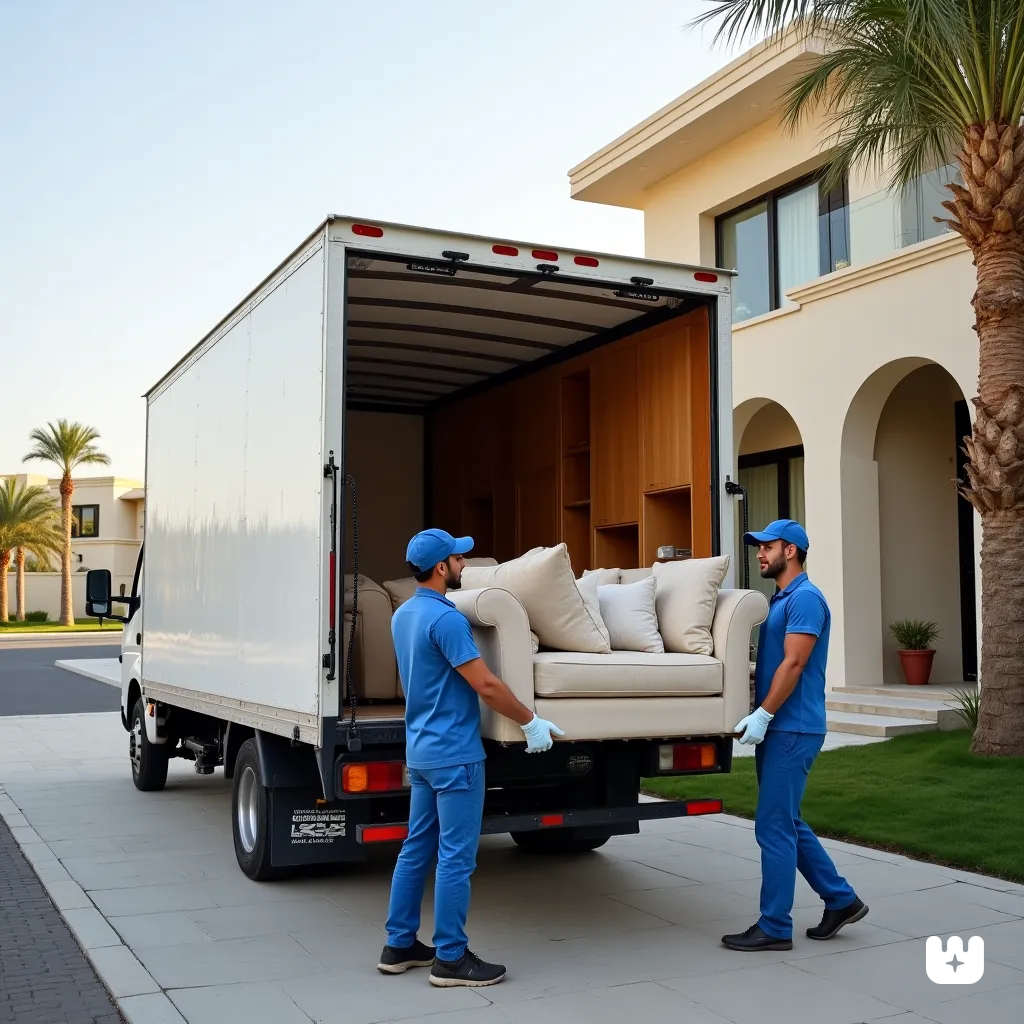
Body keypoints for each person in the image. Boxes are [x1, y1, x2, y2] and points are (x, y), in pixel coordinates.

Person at [376, 529, 563, 987]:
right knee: (456, 859)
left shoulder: (403, 615)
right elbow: (487, 685)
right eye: (459, 559)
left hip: (420, 751)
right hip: (456, 756)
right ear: (441, 567)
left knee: (416, 848)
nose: (464, 565)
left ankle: (398, 945)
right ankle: (451, 959)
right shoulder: (448, 620)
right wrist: (530, 721)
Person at [722, 519, 868, 952]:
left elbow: (795, 664)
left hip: (792, 727)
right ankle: (841, 899)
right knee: (786, 821)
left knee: (772, 827)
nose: (760, 554)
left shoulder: (805, 599)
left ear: (791, 550)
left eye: (767, 547)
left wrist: (764, 714)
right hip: (781, 726)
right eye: (758, 548)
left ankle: (774, 926)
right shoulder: (782, 599)